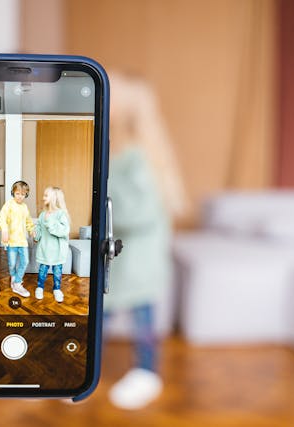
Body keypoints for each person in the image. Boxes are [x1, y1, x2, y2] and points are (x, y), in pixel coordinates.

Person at [106, 71, 189, 410]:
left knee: (142, 321)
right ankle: (80, 369)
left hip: (138, 260)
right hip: (122, 259)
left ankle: (146, 373)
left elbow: (137, 212)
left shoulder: (138, 158)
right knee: (102, 315)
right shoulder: (122, 153)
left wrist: (102, 198)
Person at [0, 180, 35, 298]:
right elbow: (2, 218)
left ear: (26, 195)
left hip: (22, 241)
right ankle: (13, 277)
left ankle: (17, 283)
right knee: (12, 263)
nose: (20, 196)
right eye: (17, 193)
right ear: (13, 193)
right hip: (11, 241)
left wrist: (31, 230)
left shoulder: (24, 207)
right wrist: (4, 229)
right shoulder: (8, 205)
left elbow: (28, 221)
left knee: (25, 262)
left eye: (23, 194)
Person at [33, 186, 70, 303]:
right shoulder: (42, 214)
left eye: (46, 195)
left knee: (57, 272)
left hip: (57, 251)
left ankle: (57, 289)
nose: (43, 198)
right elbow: (39, 228)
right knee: (42, 271)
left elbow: (64, 231)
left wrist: (50, 221)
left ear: (54, 198)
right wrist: (36, 234)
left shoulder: (61, 214)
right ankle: (40, 287)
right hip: (45, 249)